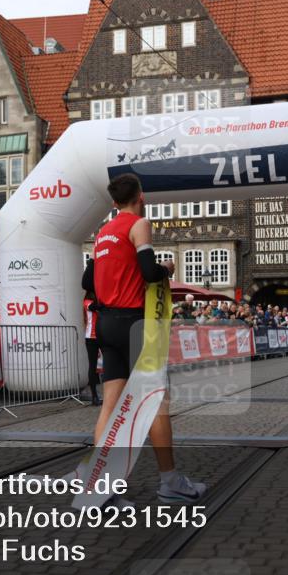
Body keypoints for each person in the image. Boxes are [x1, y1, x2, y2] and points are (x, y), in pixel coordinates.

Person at [81, 173, 205, 503]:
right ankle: (170, 481)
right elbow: (149, 272)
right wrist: (166, 268)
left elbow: (87, 280)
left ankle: (101, 485)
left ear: (112, 202)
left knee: (110, 404)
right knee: (155, 402)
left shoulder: (102, 233)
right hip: (135, 322)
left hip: (106, 324)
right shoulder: (139, 224)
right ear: (141, 196)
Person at [82, 290, 102, 405]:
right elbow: (95, 306)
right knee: (92, 366)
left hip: (102, 336)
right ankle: (94, 396)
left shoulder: (93, 301)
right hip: (91, 337)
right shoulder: (87, 302)